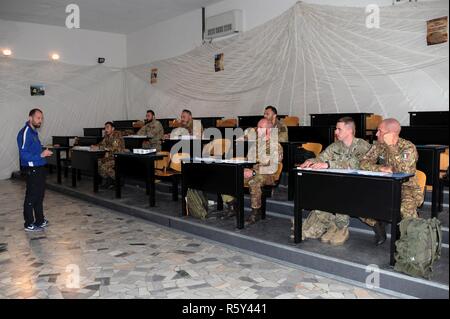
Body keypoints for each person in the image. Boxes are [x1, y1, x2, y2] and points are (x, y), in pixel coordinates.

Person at [297, 117, 371, 245]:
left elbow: (356, 164)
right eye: (336, 129)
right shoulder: (335, 146)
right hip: (336, 182)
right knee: (318, 193)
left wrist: (328, 164)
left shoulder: (363, 146)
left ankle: (342, 228)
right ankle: (332, 225)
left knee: (340, 193)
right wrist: (311, 162)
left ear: (349, 130)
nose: (335, 132)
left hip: (359, 185)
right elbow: (322, 158)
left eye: (339, 129)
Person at [360, 118, 424, 245]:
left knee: (406, 209)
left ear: (391, 134)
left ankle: (411, 247)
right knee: (359, 201)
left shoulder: (408, 147)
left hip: (407, 188)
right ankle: (378, 226)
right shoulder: (379, 145)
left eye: (380, 131)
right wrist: (381, 168)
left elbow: (404, 172)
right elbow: (363, 163)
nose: (376, 134)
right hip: (385, 186)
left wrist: (391, 146)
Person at [222, 118, 283, 225]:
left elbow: (272, 167)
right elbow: (248, 160)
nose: (257, 130)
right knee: (226, 175)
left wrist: (253, 172)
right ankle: (232, 204)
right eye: (257, 127)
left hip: (269, 174)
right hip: (254, 171)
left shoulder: (275, 146)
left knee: (254, 181)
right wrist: (242, 167)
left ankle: (256, 212)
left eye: (260, 128)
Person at [17, 108, 53, 232]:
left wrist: (43, 151)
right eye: (38, 118)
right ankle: (28, 223)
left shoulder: (34, 132)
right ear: (30, 118)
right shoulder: (25, 132)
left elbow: (34, 149)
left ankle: (40, 220)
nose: (40, 121)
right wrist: (41, 155)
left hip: (39, 167)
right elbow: (23, 154)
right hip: (32, 168)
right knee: (31, 196)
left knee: (39, 195)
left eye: (41, 118)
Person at [91, 122, 126, 189]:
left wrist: (99, 148)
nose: (105, 129)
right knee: (97, 163)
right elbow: (102, 144)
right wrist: (95, 146)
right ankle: (109, 180)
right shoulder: (107, 135)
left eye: (107, 127)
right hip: (110, 156)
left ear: (113, 128)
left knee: (104, 166)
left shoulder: (117, 135)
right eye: (105, 128)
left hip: (118, 157)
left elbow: (114, 148)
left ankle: (119, 180)